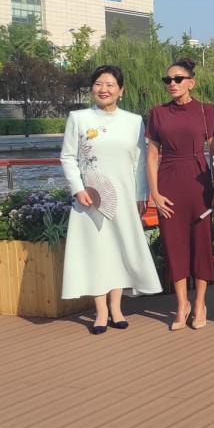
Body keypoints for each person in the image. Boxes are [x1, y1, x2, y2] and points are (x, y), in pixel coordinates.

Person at [60, 65, 162, 334]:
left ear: (121, 91)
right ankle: (101, 311)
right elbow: (68, 157)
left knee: (118, 249)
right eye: (98, 84)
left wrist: (141, 196)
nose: (104, 89)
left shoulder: (134, 121)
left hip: (124, 197)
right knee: (96, 251)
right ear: (91, 89)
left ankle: (116, 307)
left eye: (110, 85)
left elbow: (141, 162)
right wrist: (78, 189)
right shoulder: (78, 118)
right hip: (89, 199)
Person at [146, 57, 214, 331]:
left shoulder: (206, 111)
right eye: (168, 80)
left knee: (201, 243)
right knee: (173, 244)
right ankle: (182, 304)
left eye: (178, 79)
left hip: (200, 183)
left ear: (192, 82)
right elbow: (151, 155)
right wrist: (154, 192)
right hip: (169, 182)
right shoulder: (158, 113)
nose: (172, 83)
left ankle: (200, 303)